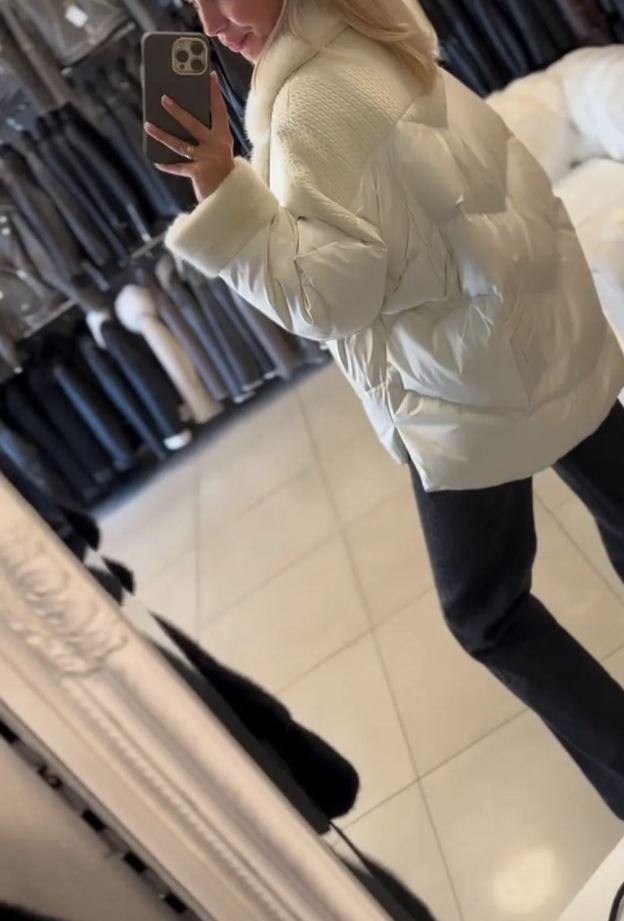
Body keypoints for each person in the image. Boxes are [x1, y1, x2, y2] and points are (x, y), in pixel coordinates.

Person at [145, 0, 624, 818]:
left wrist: (219, 185)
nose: (213, 22)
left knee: (485, 612)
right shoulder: (377, 25)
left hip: (466, 383)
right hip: (538, 321)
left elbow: (325, 297)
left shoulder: (307, 106)